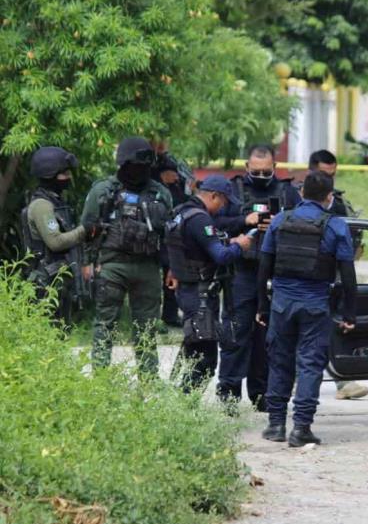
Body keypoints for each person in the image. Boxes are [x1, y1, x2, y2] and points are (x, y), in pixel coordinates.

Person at [256, 171, 358, 446]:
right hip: (315, 304)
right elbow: (348, 275)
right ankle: (301, 428)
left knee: (279, 361)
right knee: (310, 364)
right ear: (329, 198)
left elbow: (263, 266)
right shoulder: (336, 226)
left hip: (281, 304)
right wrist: (350, 313)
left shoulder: (280, 220)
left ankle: (276, 425)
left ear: (301, 193)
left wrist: (262, 305)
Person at [213, 144, 301, 409]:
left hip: (276, 273)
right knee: (236, 332)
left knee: (269, 337)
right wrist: (246, 220)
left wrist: (281, 221)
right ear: (246, 167)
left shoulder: (288, 192)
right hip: (242, 272)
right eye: (256, 171)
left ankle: (262, 393)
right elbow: (212, 224)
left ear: (275, 168)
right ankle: (228, 391)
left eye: (266, 171)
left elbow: (304, 225)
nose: (262, 176)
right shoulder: (234, 191)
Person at [81, 137, 173, 378]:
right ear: (123, 163)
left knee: (146, 329)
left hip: (148, 267)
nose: (141, 169)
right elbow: (88, 228)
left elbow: (170, 235)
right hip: (112, 265)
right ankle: (101, 379)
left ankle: (148, 380)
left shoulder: (160, 193)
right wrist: (88, 264)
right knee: (105, 324)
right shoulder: (103, 191)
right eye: (136, 163)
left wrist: (171, 267)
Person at [165, 175, 253, 393]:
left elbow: (189, 247)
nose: (222, 208)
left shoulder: (180, 213)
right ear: (214, 196)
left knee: (194, 354)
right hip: (200, 298)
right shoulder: (200, 219)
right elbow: (221, 256)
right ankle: (184, 406)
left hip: (188, 291)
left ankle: (181, 405)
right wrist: (240, 245)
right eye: (223, 202)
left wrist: (226, 240)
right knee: (206, 361)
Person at [308, 150, 368, 400]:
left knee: (327, 329)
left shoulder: (340, 204)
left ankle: (341, 381)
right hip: (301, 277)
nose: (329, 181)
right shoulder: (294, 199)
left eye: (333, 175)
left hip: (330, 277)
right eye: (324, 175)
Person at [21, 147, 91, 324]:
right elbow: (56, 242)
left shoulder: (54, 202)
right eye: (64, 174)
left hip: (56, 280)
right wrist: (85, 229)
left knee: (61, 333)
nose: (68, 178)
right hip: (46, 282)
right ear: (49, 176)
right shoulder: (42, 206)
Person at [153, 151, 189, 327]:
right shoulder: (155, 189)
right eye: (173, 173)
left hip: (172, 239)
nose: (176, 176)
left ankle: (170, 314)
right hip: (156, 239)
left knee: (171, 277)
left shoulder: (177, 188)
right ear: (163, 173)